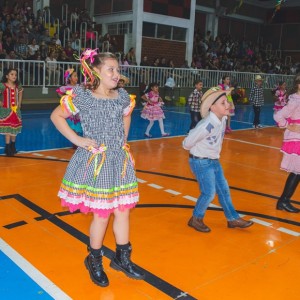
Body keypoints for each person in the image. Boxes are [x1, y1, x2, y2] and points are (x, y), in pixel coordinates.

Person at [50, 49, 145, 287]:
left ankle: (122, 259)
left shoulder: (122, 96)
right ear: (96, 72)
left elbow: (126, 116)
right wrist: (79, 140)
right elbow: (56, 116)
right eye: (111, 69)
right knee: (102, 215)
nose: (116, 73)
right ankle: (94, 259)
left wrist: (122, 140)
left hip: (119, 162)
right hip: (97, 163)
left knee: (123, 210)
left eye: (118, 69)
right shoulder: (83, 96)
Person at [182, 87, 254, 232]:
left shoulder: (222, 118)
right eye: (223, 103)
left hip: (213, 160)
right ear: (212, 107)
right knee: (208, 192)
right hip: (201, 161)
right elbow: (186, 144)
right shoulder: (207, 126)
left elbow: (230, 106)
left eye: (226, 101)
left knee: (223, 190)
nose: (227, 104)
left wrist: (226, 97)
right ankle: (196, 219)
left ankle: (232, 219)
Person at [273, 75, 300, 213]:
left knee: (297, 172)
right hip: (296, 138)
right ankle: (283, 201)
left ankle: (284, 201)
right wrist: (289, 126)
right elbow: (278, 116)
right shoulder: (295, 101)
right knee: (297, 172)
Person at [0, 68, 23, 156]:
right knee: (8, 130)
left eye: (15, 75)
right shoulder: (2, 86)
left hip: (16, 111)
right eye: (12, 74)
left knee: (14, 129)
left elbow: (20, 92)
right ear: (7, 76)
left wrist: (20, 102)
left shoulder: (18, 85)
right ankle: (7, 147)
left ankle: (13, 146)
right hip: (6, 111)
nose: (14, 76)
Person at [56, 68, 82, 145]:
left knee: (77, 126)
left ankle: (76, 141)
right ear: (70, 78)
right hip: (70, 110)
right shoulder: (66, 87)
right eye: (74, 76)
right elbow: (59, 92)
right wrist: (65, 99)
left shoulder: (79, 87)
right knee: (72, 125)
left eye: (77, 76)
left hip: (77, 110)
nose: (77, 78)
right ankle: (75, 142)